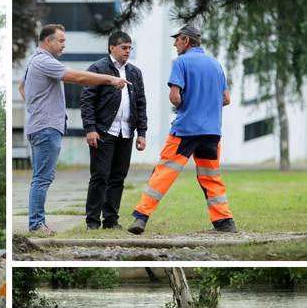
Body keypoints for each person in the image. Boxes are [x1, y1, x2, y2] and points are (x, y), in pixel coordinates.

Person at [19, 24, 130, 236]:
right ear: (47, 41)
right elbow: (78, 78)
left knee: (41, 177)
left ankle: (37, 223)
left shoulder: (34, 61)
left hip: (41, 125)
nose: (63, 45)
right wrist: (110, 79)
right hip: (46, 127)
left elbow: (22, 88)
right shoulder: (44, 61)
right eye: (60, 41)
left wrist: (36, 108)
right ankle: (36, 225)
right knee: (42, 178)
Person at [128, 25, 236, 235]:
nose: (175, 44)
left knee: (164, 172)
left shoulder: (182, 62)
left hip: (185, 130)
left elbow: (175, 96)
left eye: (177, 40)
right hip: (212, 132)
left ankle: (141, 217)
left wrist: (187, 105)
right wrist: (206, 105)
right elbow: (226, 99)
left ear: (186, 40)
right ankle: (225, 222)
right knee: (210, 176)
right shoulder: (216, 64)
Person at [80, 31, 148, 230]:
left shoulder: (135, 72)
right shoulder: (98, 68)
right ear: (112, 47)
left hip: (126, 132)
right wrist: (90, 129)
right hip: (103, 131)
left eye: (130, 48)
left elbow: (141, 103)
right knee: (100, 176)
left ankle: (111, 220)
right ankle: (92, 222)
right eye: (124, 47)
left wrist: (141, 133)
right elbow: (87, 101)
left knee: (118, 177)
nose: (128, 51)